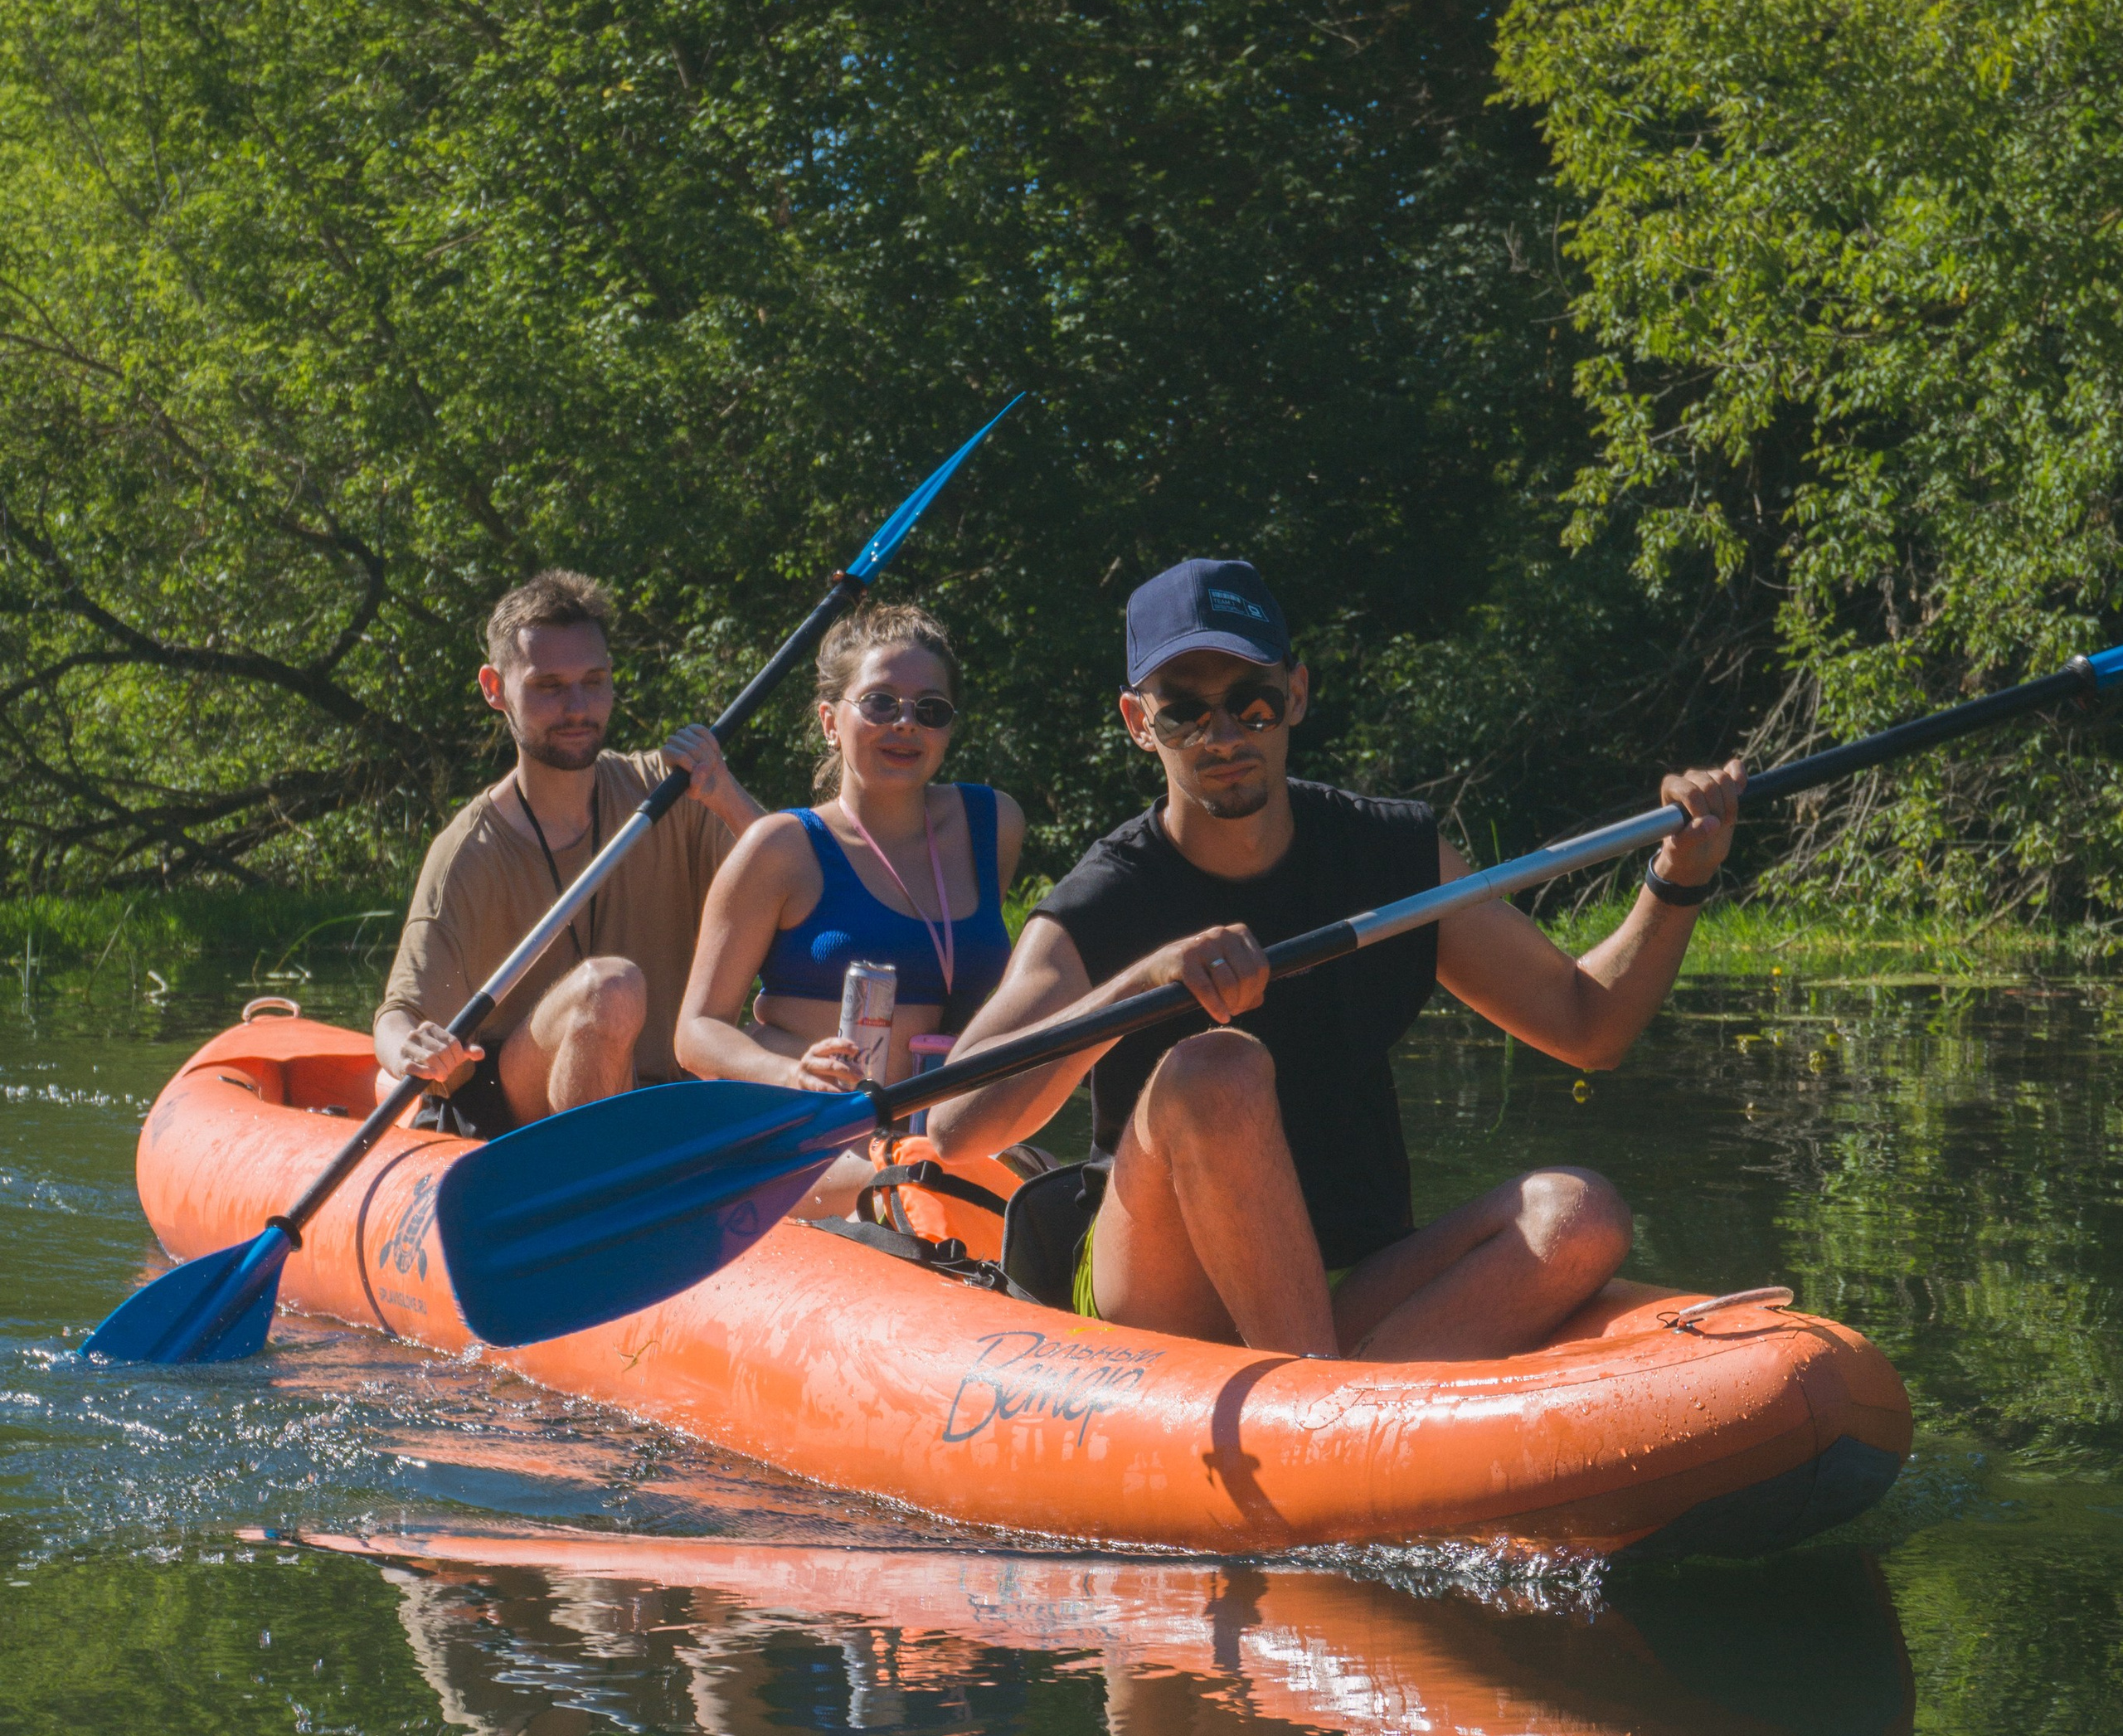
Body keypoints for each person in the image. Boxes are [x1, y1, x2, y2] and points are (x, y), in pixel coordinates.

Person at [927, 555, 1742, 1360]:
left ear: (1297, 695)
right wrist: (1141, 983)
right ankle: (1317, 1404)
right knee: (1215, 1070)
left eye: (1252, 704)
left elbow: (1587, 1026)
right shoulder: (1105, 898)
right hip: (1160, 1299)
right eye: (1184, 713)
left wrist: (1677, 880)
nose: (1222, 736)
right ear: (1140, 724)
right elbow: (956, 1128)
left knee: (1580, 1214)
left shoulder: (1391, 856)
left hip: (1344, 1280)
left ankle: (1330, 1391)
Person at [374, 569, 763, 1133]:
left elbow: (798, 885)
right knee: (610, 989)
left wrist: (728, 796)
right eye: (549, 686)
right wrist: (410, 1050)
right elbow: (398, 1016)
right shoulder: (468, 851)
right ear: (494, 688)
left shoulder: (672, 793)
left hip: (660, 1099)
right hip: (513, 1107)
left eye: (594, 680)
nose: (577, 707)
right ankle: (594, 1189)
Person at [673, 601, 1024, 1213]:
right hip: (807, 1129)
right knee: (928, 1193)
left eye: (930, 710)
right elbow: (696, 1032)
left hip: (943, 1126)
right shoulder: (779, 847)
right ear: (830, 721)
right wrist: (792, 1075)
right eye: (882, 703)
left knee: (1025, 1197)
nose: (906, 725)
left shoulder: (994, 824)